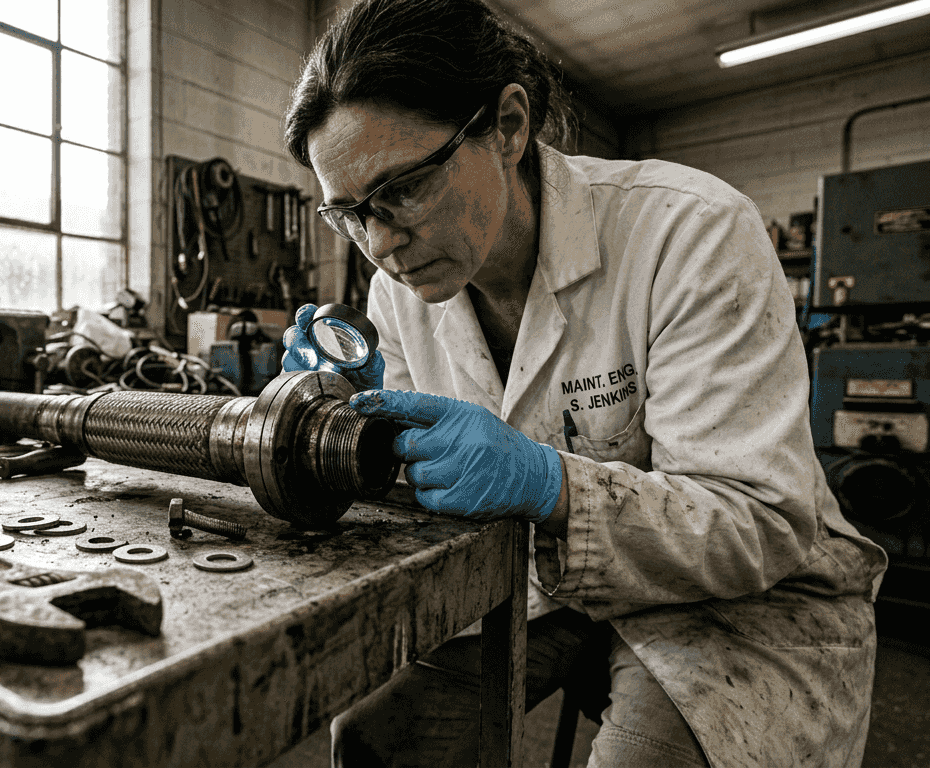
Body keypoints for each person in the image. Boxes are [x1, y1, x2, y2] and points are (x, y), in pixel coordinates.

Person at [280, 0, 888, 765]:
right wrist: (353, 432)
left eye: (402, 189)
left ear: (507, 126)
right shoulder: (396, 295)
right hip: (545, 583)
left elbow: (759, 525)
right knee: (377, 741)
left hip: (741, 601)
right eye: (349, 214)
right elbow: (423, 494)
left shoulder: (689, 230)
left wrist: (548, 483)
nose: (380, 242)